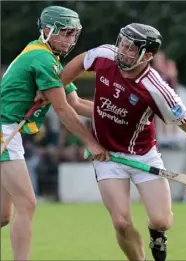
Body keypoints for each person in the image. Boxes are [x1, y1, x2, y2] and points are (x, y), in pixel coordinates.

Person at [60, 23, 186, 261]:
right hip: (107, 156)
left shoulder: (157, 90)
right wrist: (57, 86)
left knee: (163, 220)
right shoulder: (105, 55)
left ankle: (157, 234)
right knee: (121, 222)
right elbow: (81, 61)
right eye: (123, 43)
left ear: (148, 56)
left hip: (143, 155)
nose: (123, 51)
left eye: (132, 49)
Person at [0, 5, 109, 261]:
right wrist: (92, 143)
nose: (71, 40)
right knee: (27, 204)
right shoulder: (43, 59)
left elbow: (77, 104)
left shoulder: (50, 60)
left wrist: (119, 113)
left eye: (74, 34)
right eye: (66, 33)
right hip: (4, 131)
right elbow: (62, 110)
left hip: (9, 132)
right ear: (47, 30)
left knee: (4, 215)